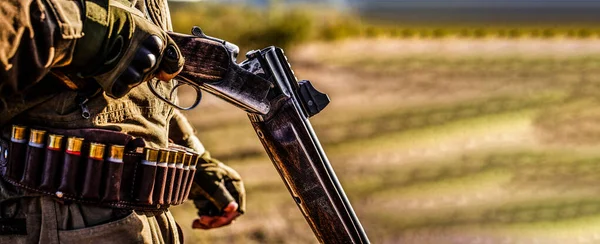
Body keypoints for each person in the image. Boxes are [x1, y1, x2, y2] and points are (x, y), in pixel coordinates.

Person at [0, 0, 245, 243]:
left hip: (141, 218)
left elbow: (137, 96)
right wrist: (94, 28)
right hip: (55, 216)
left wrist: (196, 161)